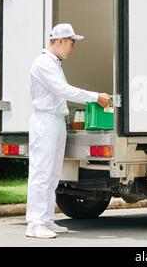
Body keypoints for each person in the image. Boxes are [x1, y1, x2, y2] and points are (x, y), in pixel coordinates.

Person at [25, 23, 112, 239]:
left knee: (53, 173)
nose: (73, 48)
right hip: (45, 122)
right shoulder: (43, 63)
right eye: (72, 43)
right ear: (60, 40)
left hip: (55, 122)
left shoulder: (54, 63)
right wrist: (95, 96)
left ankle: (46, 220)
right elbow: (63, 90)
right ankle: (34, 223)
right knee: (41, 173)